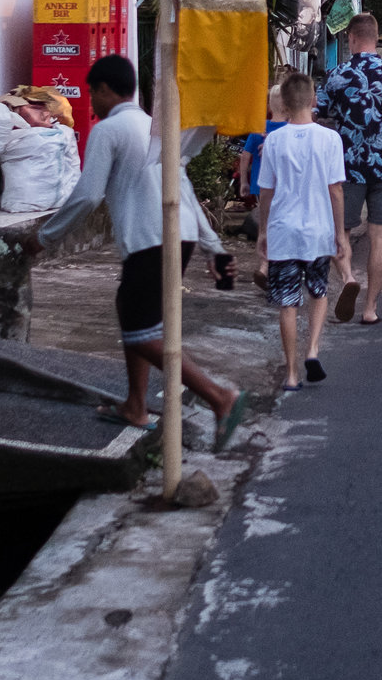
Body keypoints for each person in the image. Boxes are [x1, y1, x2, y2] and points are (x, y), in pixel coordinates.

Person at [40, 54, 245, 448]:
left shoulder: (109, 129)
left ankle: (220, 397)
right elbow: (183, 188)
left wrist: (45, 237)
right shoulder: (155, 127)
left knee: (142, 335)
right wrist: (211, 247)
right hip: (177, 234)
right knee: (134, 317)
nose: (91, 102)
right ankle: (135, 404)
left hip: (152, 239)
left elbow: (86, 196)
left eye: (91, 93)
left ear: (104, 90)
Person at [317, 13, 382, 326]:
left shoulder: (337, 75)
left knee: (341, 232)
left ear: (350, 38)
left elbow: (313, 114)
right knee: (380, 236)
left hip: (346, 168)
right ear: (376, 39)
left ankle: (349, 276)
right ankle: (370, 309)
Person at [252, 72, 344, 390]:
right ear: (314, 101)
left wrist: (263, 232)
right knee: (319, 292)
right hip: (319, 230)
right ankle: (313, 350)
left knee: (288, 303)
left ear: (285, 104)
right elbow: (336, 192)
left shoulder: (273, 141)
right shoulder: (330, 139)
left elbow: (266, 193)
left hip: (283, 232)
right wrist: (340, 233)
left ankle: (291, 374)